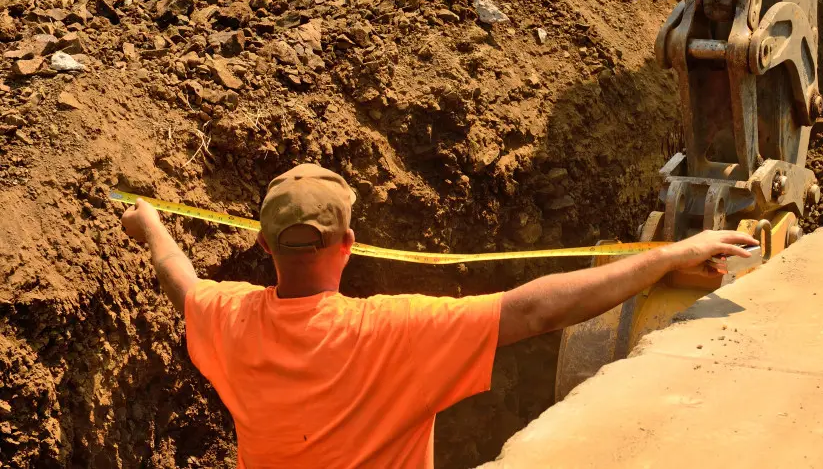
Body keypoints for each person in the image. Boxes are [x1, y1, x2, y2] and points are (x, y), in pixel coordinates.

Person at [121, 163, 756, 468]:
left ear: (263, 246)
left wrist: (148, 224)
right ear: (350, 244)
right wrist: (669, 255)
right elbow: (538, 309)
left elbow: (181, 280)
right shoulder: (392, 330)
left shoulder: (227, 318)